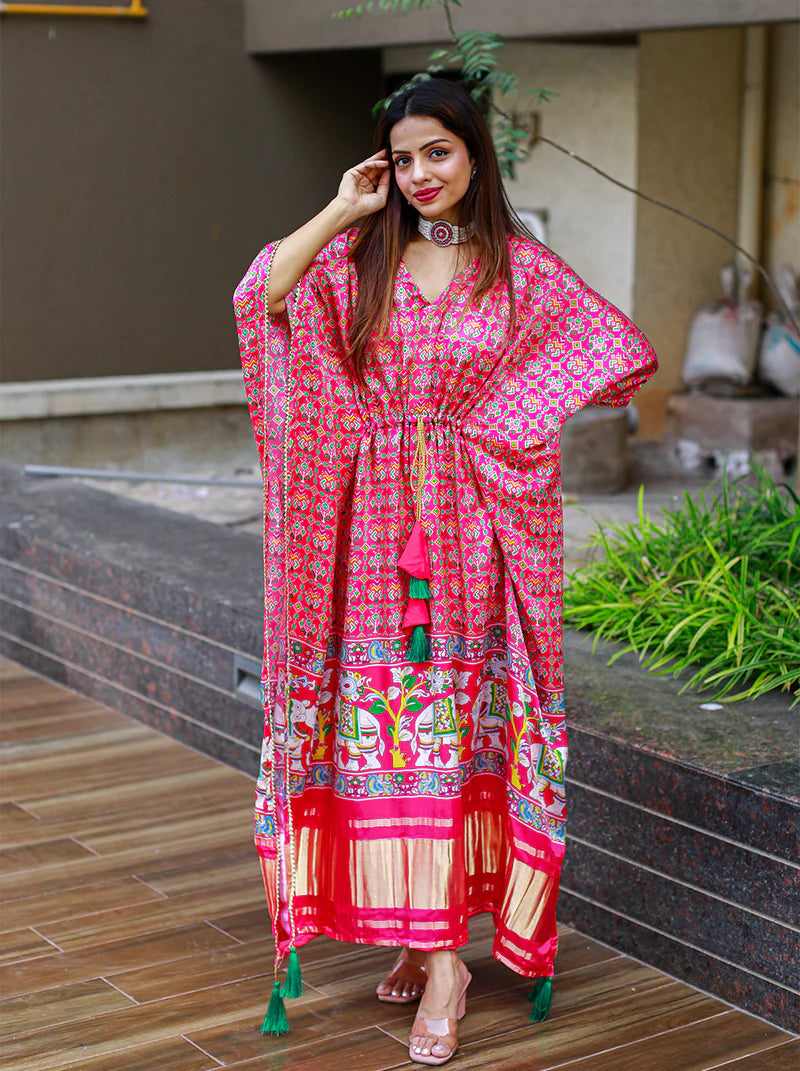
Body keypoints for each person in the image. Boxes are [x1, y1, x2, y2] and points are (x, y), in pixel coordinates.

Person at [233, 77, 658, 1066]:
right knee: (389, 731)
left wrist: (498, 427)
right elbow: (261, 298)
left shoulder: (521, 270)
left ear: (474, 153)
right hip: (369, 535)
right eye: (404, 156)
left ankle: (445, 964)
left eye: (439, 152)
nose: (422, 173)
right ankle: (424, 941)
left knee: (450, 731)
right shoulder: (359, 259)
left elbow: (616, 349)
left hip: (472, 533)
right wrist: (343, 206)